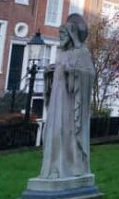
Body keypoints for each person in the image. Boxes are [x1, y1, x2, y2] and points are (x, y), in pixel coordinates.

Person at [39, 13, 95, 180]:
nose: (60, 38)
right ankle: (54, 167)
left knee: (67, 132)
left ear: (72, 35)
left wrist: (74, 72)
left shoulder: (82, 53)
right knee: (54, 132)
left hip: (70, 104)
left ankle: (72, 166)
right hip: (57, 101)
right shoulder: (61, 54)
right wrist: (49, 73)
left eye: (64, 35)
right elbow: (58, 75)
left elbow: (90, 75)